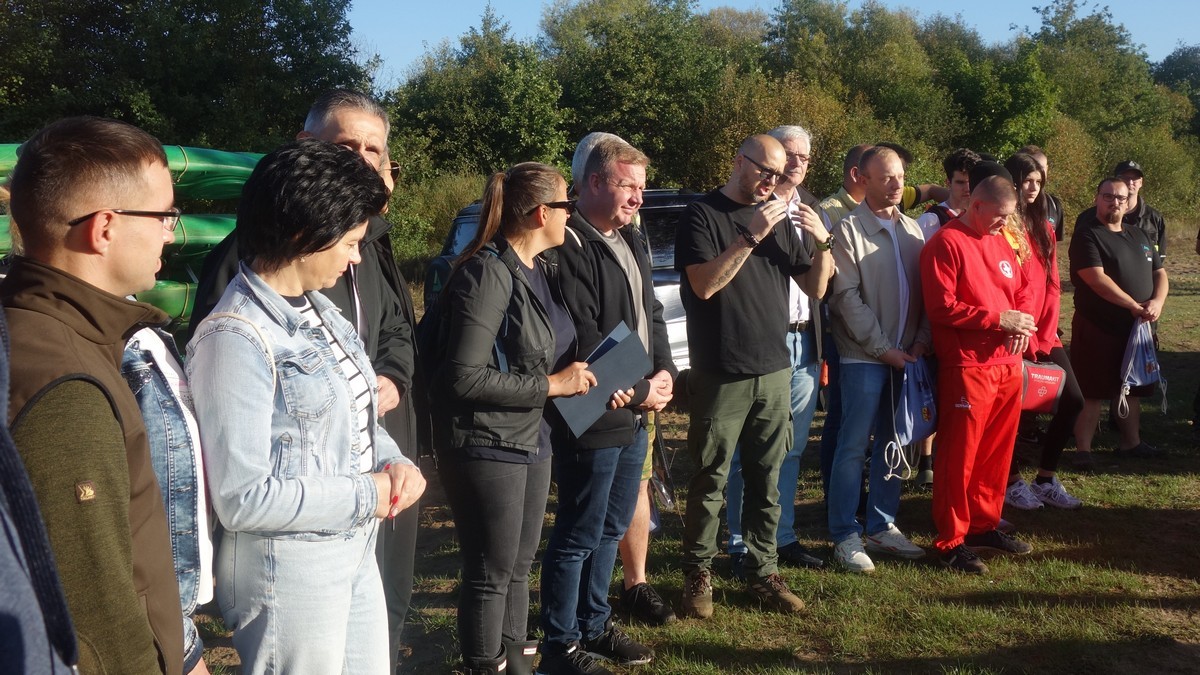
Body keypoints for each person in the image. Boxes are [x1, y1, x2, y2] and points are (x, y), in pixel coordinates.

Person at [191, 89, 423, 670]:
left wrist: (394, 460)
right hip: (289, 570)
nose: (357, 260)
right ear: (304, 236)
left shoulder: (320, 311)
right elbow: (241, 497)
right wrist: (369, 493)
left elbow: (354, 412)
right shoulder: (235, 336)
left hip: (351, 544)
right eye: (349, 244)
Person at [3, 116, 185, 673]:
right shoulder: (68, 388)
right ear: (105, 227)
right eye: (164, 216)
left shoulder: (39, 331)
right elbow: (98, 617)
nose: (170, 233)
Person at [432, 162, 593, 675]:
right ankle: (485, 666)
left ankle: (518, 667)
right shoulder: (486, 273)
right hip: (486, 442)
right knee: (491, 571)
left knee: (519, 567)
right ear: (542, 213)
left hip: (531, 436)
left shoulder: (539, 268)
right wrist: (552, 385)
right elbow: (462, 377)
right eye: (567, 205)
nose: (572, 215)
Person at [675, 134, 834, 618]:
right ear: (738, 161)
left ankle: (762, 571)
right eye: (765, 170)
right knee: (711, 478)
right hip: (721, 370)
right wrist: (749, 236)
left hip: (774, 368)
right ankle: (698, 572)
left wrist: (823, 242)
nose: (773, 181)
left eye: (779, 174)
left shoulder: (778, 217)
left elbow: (815, 287)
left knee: (768, 477)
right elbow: (704, 286)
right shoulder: (702, 214)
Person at [539, 135, 676, 675]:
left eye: (642, 187)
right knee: (579, 531)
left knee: (612, 525)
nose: (639, 198)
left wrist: (664, 371)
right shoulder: (568, 242)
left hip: (634, 408)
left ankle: (595, 624)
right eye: (628, 186)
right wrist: (641, 389)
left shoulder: (631, 237)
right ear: (593, 182)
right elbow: (585, 334)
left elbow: (651, 312)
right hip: (593, 408)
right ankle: (561, 644)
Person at [920, 170, 1037, 575]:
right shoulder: (946, 243)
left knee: (996, 452)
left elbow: (1024, 288)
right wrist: (998, 319)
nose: (1006, 222)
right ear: (977, 205)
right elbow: (942, 307)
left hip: (1007, 363)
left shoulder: (1002, 240)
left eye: (1010, 214)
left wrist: (1022, 322)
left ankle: (984, 524)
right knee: (960, 456)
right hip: (968, 365)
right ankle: (951, 540)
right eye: (1000, 214)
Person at [726, 125, 827, 577]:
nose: (797, 163)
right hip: (761, 340)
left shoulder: (812, 209)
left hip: (805, 340)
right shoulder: (747, 207)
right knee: (746, 449)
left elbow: (824, 279)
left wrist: (825, 243)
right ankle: (738, 542)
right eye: (790, 154)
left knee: (791, 447)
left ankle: (779, 536)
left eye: (804, 156)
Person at [826, 145, 930, 573]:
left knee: (895, 442)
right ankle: (844, 534)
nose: (896, 184)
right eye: (886, 177)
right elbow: (845, 299)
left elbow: (926, 294)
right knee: (853, 446)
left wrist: (919, 343)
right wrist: (883, 349)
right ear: (862, 179)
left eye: (901, 176)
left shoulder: (912, 229)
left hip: (906, 357)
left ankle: (882, 525)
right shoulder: (847, 230)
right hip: (864, 358)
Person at [122, 327, 215, 674]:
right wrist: (180, 643)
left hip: (175, 608)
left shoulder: (152, 337)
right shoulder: (114, 348)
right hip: (157, 617)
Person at [998, 153, 1084, 511]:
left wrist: (1045, 335)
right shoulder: (1001, 226)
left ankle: (1046, 479)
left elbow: (1052, 284)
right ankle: (1010, 481)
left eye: (1038, 181)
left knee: (1073, 399)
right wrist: (1024, 330)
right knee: (1011, 410)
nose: (1032, 187)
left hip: (1043, 332)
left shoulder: (1044, 226)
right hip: (1013, 332)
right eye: (1026, 180)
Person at [1068, 177, 1168, 465]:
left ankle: (1130, 443)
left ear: (1128, 202)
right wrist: (1133, 305)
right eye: (1108, 196)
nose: (1114, 202)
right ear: (1097, 198)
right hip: (1098, 325)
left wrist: (1157, 302)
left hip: (1135, 329)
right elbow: (1095, 279)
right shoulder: (1088, 235)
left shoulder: (1140, 235)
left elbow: (1159, 273)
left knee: (1132, 389)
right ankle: (1083, 451)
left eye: (1120, 198)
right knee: (1092, 391)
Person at [1016, 145, 1066, 242]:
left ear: (1047, 168)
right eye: (1031, 166)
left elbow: (1053, 245)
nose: (1036, 171)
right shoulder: (1004, 209)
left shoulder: (1054, 205)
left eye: (1040, 167)